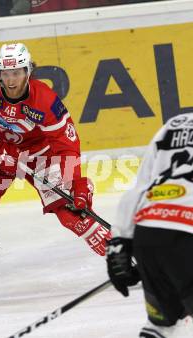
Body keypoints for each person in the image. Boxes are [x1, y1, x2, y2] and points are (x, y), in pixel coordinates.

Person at [0, 43, 112, 306]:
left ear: (28, 71)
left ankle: (121, 257)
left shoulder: (45, 99)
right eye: (5, 73)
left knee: (70, 212)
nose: (10, 80)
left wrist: (75, 182)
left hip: (40, 154)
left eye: (17, 73)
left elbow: (67, 144)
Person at [106, 113, 193, 338]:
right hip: (188, 236)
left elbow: (139, 187)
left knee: (162, 324)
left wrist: (119, 243)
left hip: (149, 232)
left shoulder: (175, 125)